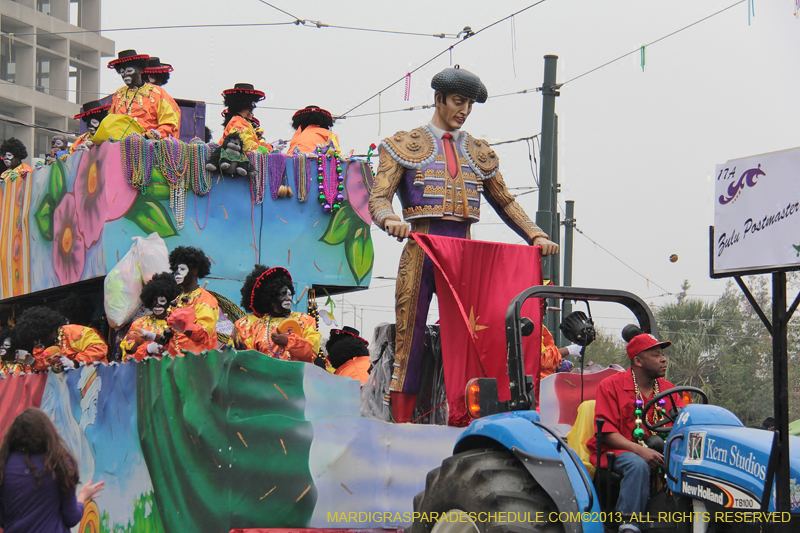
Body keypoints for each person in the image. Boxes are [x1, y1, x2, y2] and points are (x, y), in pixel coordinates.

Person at [367, 66, 559, 422]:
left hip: (466, 255)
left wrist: (535, 233)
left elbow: (506, 201)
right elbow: (378, 199)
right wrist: (390, 219)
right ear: (438, 99)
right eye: (459, 101)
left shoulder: (478, 152)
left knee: (474, 338)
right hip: (422, 247)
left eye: (470, 104)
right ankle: (402, 424)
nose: (464, 111)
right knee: (410, 339)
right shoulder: (401, 146)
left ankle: (465, 417)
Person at [586, 332, 683, 533]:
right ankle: (628, 524)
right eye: (656, 355)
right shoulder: (611, 385)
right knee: (638, 465)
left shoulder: (670, 390)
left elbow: (682, 428)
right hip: (617, 452)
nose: (663, 359)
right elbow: (608, 433)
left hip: (660, 450)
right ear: (638, 361)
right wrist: (641, 451)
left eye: (662, 355)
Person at [0, 408, 105, 533]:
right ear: (46, 433)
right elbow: (71, 518)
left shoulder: (4, 464)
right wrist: (83, 496)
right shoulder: (58, 463)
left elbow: (2, 519)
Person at [232, 265, 320, 362]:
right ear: (271, 299)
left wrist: (288, 342)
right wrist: (244, 352)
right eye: (283, 294)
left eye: (290, 294)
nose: (288, 298)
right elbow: (252, 360)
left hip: (293, 376)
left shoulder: (305, 320)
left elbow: (312, 352)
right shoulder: (256, 325)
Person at [107, 49, 180, 140]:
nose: (126, 76)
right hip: (120, 147)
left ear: (140, 69)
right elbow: (110, 122)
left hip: (149, 148)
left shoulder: (158, 93)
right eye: (122, 72)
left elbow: (169, 123)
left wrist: (149, 136)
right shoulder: (118, 94)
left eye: (129, 71)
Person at [12, 307, 108, 372]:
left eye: (41, 340)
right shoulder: (40, 347)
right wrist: (33, 362)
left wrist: (75, 362)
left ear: (47, 332)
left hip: (96, 379)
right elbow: (46, 366)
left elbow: (100, 348)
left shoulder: (74, 332)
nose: (40, 345)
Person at [166, 246, 219, 356]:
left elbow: (204, 334)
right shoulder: (177, 300)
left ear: (194, 271)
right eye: (175, 269)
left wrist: (184, 327)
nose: (177, 273)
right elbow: (170, 336)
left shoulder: (205, 300)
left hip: (196, 366)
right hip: (175, 367)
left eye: (182, 269)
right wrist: (150, 337)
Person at [121, 272, 182, 361]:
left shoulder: (179, 323)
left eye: (162, 301)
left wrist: (168, 347)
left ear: (170, 301)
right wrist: (147, 350)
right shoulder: (139, 324)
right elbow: (127, 356)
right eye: (154, 301)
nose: (157, 305)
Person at [218, 83, 271, 152]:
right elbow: (248, 148)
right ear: (249, 104)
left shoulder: (242, 121)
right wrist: (268, 151)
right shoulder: (239, 123)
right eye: (253, 103)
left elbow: (255, 144)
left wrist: (270, 147)